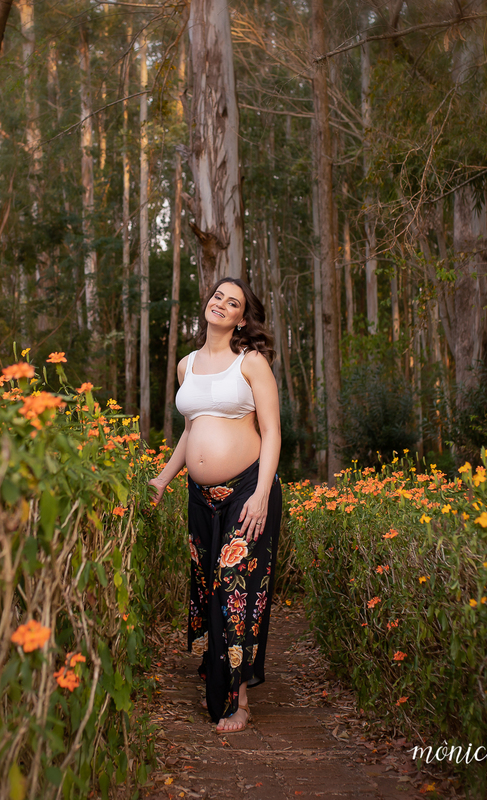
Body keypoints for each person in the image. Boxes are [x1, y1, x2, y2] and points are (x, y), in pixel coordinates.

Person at [148, 276, 282, 734]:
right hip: (200, 498)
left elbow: (272, 431)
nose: (221, 304)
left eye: (233, 302)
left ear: (242, 318)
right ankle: (219, 674)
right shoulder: (186, 365)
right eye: (217, 296)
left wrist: (262, 494)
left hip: (248, 490)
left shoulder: (251, 363)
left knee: (234, 589)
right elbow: (191, 430)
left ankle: (239, 700)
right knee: (208, 588)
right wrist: (163, 479)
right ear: (207, 304)